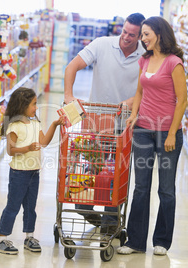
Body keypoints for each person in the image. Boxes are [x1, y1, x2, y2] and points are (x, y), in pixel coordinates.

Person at [63, 13, 146, 232]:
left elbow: (150, 87)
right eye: (124, 32)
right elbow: (72, 67)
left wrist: (131, 101)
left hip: (124, 123)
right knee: (91, 169)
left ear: (140, 35)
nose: (126, 38)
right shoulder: (102, 44)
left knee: (117, 174)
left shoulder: (145, 55)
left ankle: (110, 224)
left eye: (132, 35)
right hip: (96, 121)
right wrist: (69, 95)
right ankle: (86, 209)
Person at [116, 16, 187, 255]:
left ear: (159, 34)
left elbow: (182, 101)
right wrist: (134, 114)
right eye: (142, 35)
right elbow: (139, 91)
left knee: (166, 189)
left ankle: (161, 242)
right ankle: (135, 241)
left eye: (146, 34)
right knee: (141, 187)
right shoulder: (144, 60)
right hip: (144, 131)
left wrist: (172, 133)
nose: (142, 39)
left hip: (167, 133)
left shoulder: (173, 63)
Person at [0, 87, 65, 255]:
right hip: (19, 173)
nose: (36, 107)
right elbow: (11, 151)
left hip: (34, 172)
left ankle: (29, 236)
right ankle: (1, 239)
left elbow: (44, 142)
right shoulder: (14, 126)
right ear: (22, 105)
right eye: (34, 104)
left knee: (31, 207)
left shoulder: (35, 123)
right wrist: (27, 148)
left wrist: (54, 125)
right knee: (13, 206)